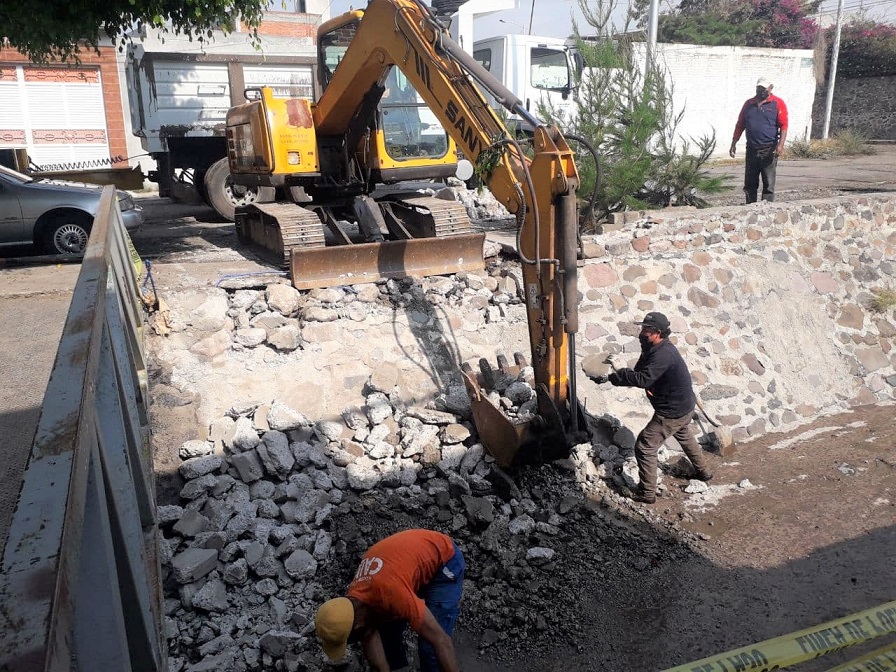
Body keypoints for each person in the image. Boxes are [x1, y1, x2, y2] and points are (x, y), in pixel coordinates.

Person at [589, 312, 713, 504]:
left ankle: (646, 493)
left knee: (645, 446)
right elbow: (639, 372)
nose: (642, 333)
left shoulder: (663, 354)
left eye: (647, 330)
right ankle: (704, 472)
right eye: (642, 328)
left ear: (658, 333)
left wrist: (620, 370)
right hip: (683, 405)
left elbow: (643, 379)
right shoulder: (652, 348)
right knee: (684, 435)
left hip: (672, 411)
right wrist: (610, 377)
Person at [315, 529, 464, 672]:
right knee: (387, 637)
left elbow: (441, 640)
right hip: (403, 568)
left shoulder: (390, 593)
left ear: (357, 626)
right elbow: (368, 636)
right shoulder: (352, 606)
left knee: (429, 646)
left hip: (444, 559)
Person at [729, 76, 789, 204]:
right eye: (759, 88)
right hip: (752, 149)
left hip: (769, 149)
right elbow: (740, 124)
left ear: (770, 88)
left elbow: (784, 125)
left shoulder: (777, 103)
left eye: (763, 88)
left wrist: (780, 145)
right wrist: (734, 142)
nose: (761, 90)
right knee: (750, 182)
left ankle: (766, 208)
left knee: (768, 182)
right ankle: (750, 205)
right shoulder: (749, 104)